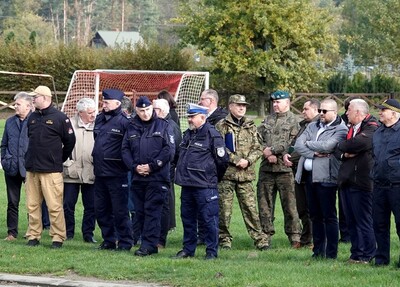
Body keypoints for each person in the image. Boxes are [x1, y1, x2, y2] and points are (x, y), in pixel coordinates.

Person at [294, 98, 347, 259]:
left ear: (334, 112)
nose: (321, 114)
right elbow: (298, 144)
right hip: (309, 176)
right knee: (315, 215)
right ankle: (318, 251)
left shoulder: (340, 129)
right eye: (320, 111)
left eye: (324, 111)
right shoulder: (312, 125)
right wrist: (313, 152)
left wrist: (309, 144)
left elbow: (328, 146)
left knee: (329, 215)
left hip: (326, 177)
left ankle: (331, 253)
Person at [174, 103, 228, 260]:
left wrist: (212, 178)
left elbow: (222, 160)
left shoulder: (212, 135)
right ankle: (188, 249)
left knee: (209, 219)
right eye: (189, 116)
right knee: (188, 218)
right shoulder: (188, 135)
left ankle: (211, 251)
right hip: (187, 184)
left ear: (203, 117)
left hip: (205, 185)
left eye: (192, 117)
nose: (189, 120)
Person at [122, 96, 175, 256]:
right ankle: (143, 241)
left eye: (147, 110)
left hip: (157, 177)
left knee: (153, 211)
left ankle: (149, 244)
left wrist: (152, 166)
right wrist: (134, 167)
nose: (145, 113)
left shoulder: (163, 125)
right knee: (139, 211)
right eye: (141, 111)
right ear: (136, 111)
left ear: (152, 109)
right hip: (138, 176)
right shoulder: (131, 127)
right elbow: (125, 150)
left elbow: (169, 150)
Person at [215, 94, 269, 250]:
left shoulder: (251, 125)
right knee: (224, 210)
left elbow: (258, 147)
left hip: (245, 175)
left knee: (251, 209)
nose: (241, 108)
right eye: (238, 105)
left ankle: (260, 239)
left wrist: (248, 161)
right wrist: (235, 159)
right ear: (230, 106)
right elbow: (219, 148)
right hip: (227, 175)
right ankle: (224, 238)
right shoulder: (221, 125)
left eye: (244, 106)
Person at [25, 85, 76, 248]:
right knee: (32, 205)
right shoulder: (32, 117)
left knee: (54, 206)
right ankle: (33, 235)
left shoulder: (60, 118)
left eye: (36, 97)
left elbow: (70, 141)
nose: (33, 99)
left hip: (51, 170)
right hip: (32, 169)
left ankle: (58, 237)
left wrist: (58, 159)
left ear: (45, 98)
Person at [257, 90, 302, 248]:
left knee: (290, 205)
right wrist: (265, 152)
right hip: (266, 169)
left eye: (278, 102)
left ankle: (295, 236)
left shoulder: (295, 121)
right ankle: (265, 236)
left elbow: (293, 143)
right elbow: (257, 139)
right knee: (264, 205)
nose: (275, 104)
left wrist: (274, 150)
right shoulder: (267, 120)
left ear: (287, 103)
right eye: (274, 102)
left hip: (285, 170)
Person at [336, 99, 378, 264]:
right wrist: (344, 152)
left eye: (349, 110)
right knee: (351, 220)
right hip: (347, 179)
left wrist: (344, 146)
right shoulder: (351, 128)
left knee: (363, 220)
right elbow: (338, 148)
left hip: (362, 182)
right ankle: (356, 254)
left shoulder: (372, 126)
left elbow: (361, 142)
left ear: (359, 112)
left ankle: (367, 254)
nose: (346, 113)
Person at [92, 89, 133, 251]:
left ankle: (125, 242)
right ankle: (109, 239)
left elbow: (129, 146)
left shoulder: (125, 122)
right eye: (103, 101)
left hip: (117, 173)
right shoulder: (100, 119)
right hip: (100, 172)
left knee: (120, 210)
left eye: (107, 102)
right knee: (101, 209)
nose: (104, 104)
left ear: (117, 103)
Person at [283, 99, 320, 248]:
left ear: (316, 110)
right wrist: (286, 153)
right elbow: (294, 144)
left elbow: (308, 148)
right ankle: (305, 239)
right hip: (299, 170)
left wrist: (291, 156)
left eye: (306, 109)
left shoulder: (318, 125)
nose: (303, 112)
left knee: (312, 207)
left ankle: (311, 240)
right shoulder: (303, 125)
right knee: (302, 206)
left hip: (312, 170)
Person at [63, 98, 97, 243]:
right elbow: (60, 145)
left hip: (91, 171)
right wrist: (66, 162)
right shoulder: (68, 124)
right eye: (90, 112)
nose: (93, 115)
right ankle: (68, 232)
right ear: (80, 112)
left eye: (95, 111)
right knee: (68, 204)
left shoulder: (99, 125)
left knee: (91, 206)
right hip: (71, 172)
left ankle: (88, 234)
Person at [197, 88, 228, 244]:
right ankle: (202, 235)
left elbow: (222, 151)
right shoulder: (203, 118)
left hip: (212, 170)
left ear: (211, 101)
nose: (199, 102)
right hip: (199, 171)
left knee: (212, 207)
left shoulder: (221, 120)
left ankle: (214, 237)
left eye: (202, 99)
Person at [372, 99, 400, 266]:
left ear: (395, 113)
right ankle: (381, 259)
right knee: (379, 224)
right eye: (379, 109)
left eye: (383, 110)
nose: (380, 112)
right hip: (379, 185)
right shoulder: (378, 132)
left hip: (397, 186)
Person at [1, 92, 33, 240]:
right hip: (11, 168)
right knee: (12, 202)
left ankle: (32, 232)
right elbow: (4, 144)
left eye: (18, 104)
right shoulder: (9, 122)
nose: (15, 107)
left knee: (32, 203)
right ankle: (11, 232)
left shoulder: (35, 121)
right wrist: (4, 160)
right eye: (15, 104)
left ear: (28, 106)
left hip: (30, 168)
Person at [152, 99, 182, 248]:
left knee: (164, 205)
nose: (151, 111)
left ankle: (161, 238)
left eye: (154, 109)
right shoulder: (155, 124)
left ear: (162, 111)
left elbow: (174, 152)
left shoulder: (171, 127)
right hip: (153, 172)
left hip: (165, 172)